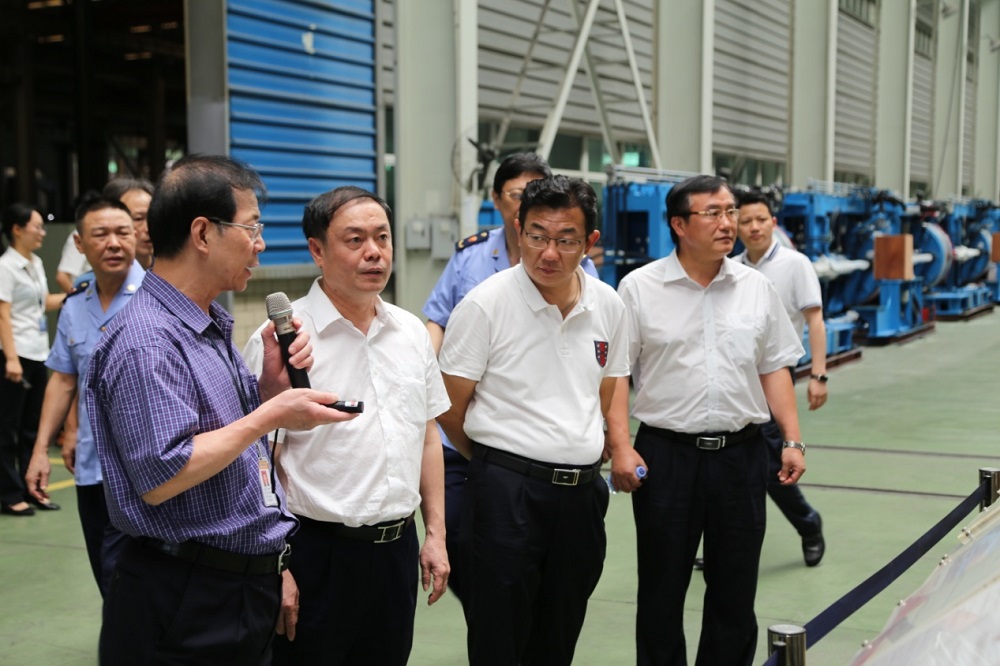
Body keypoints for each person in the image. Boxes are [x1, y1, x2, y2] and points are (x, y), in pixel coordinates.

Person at [86, 154, 357, 664]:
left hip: (234, 581)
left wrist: (268, 392)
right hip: (185, 594)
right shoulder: (149, 341)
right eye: (252, 228)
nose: (261, 244)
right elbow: (164, 474)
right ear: (203, 234)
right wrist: (271, 416)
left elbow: (226, 441)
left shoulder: (203, 324)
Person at [242, 186, 450, 666]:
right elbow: (255, 460)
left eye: (382, 237)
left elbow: (426, 436)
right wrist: (275, 564)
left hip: (396, 552)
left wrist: (435, 534)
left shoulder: (410, 332)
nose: (373, 252)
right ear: (317, 250)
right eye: (355, 240)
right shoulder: (281, 341)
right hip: (314, 555)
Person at [605, 175, 806, 666]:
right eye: (713, 213)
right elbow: (617, 374)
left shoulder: (756, 288)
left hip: (742, 455)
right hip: (666, 457)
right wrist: (620, 446)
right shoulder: (639, 288)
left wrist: (793, 439)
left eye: (730, 211)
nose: (728, 223)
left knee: (735, 589)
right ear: (679, 224)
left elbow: (774, 367)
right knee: (662, 587)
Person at [438, 175, 628, 665]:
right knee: (499, 635)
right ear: (519, 231)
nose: (549, 252)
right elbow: (449, 406)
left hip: (581, 496)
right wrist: (496, 464)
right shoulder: (485, 304)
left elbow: (605, 387)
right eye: (537, 236)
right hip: (506, 494)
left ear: (589, 241)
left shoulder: (607, 304)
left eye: (566, 240)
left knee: (560, 630)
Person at [422, 152, 599, 604]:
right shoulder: (472, 259)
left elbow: (601, 365)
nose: (551, 251)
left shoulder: (587, 279)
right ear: (500, 201)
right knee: (477, 560)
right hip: (471, 444)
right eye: (518, 194)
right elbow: (438, 320)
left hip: (550, 453)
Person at [24, 196, 143, 597]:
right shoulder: (75, 304)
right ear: (79, 243)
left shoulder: (158, 298)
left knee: (127, 583)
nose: (114, 243)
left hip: (147, 469)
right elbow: (63, 380)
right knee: (106, 579)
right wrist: (41, 450)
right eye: (101, 234)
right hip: (92, 469)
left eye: (123, 233)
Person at [735, 190, 827, 567]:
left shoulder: (794, 264)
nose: (754, 227)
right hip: (738, 376)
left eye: (761, 219)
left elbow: (815, 320)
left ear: (773, 222)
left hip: (776, 374)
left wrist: (819, 374)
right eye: (745, 221)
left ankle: (809, 524)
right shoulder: (731, 267)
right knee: (732, 463)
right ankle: (726, 543)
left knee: (772, 464)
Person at [0, 203, 65, 516]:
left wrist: (79, 292)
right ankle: (10, 495)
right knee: (7, 428)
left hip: (38, 352)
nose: (42, 232)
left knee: (32, 427)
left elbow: (42, 303)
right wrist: (11, 359)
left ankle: (32, 488)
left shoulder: (35, 263)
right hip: (15, 356)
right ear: (17, 230)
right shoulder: (5, 266)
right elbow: (3, 314)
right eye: (36, 226)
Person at [101, 177, 155, 271]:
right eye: (138, 219)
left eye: (153, 217)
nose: (148, 228)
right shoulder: (96, 279)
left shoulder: (174, 273)